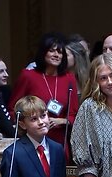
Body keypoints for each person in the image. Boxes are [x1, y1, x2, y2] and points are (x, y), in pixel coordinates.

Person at [8, 32, 79, 162]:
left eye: (60, 52)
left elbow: (75, 114)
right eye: (52, 51)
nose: (57, 55)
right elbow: (13, 110)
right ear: (43, 52)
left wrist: (62, 121)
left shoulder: (69, 78)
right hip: (32, 139)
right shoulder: (28, 76)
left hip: (59, 140)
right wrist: (29, 123)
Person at [0, 96, 68, 177]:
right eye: (33, 119)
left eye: (43, 116)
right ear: (22, 124)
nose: (41, 122)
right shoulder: (13, 153)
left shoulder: (57, 149)